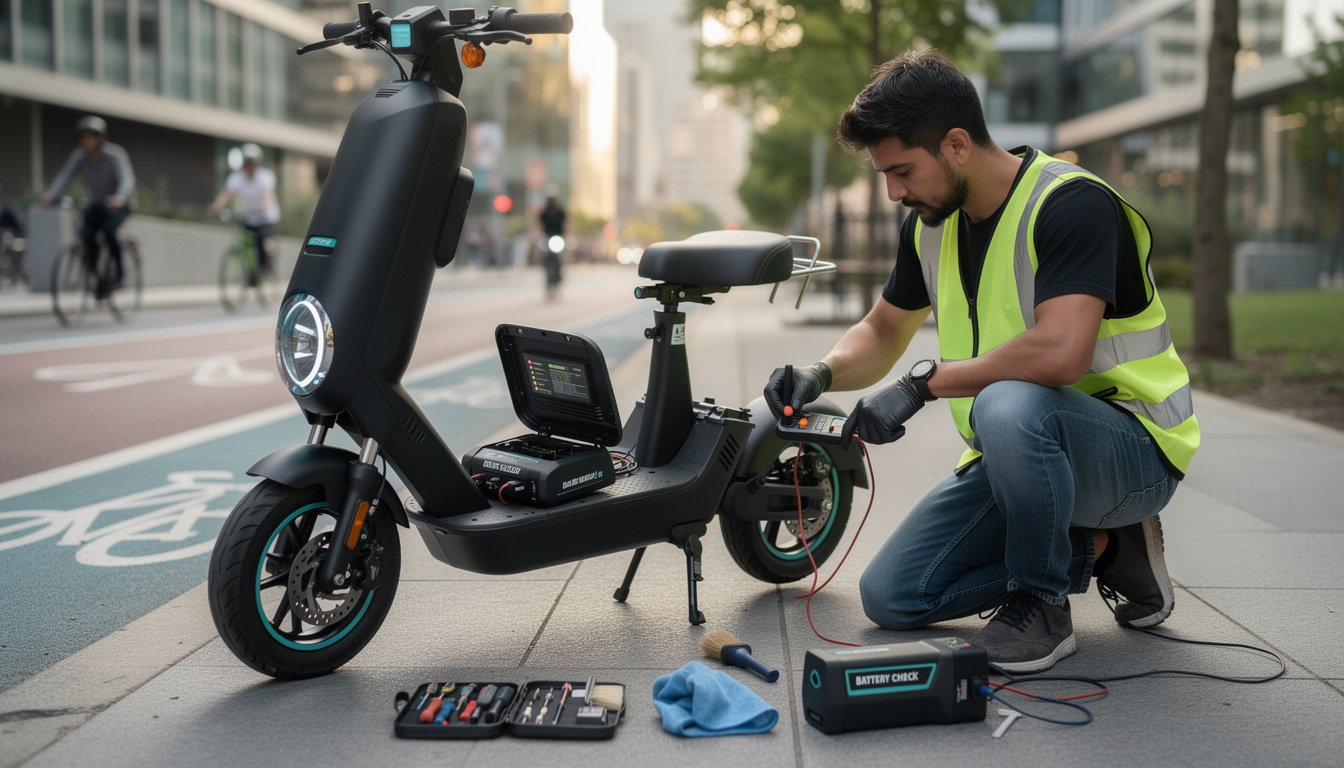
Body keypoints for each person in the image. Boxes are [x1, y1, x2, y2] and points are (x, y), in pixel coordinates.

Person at [764, 50, 1200, 673]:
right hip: (1017, 455)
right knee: (892, 596)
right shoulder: (930, 225)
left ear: (957, 144)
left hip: (1134, 452)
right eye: (886, 175)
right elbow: (884, 328)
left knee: (1007, 401)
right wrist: (820, 373)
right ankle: (1109, 550)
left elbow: (1062, 352)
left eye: (903, 171)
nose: (894, 192)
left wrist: (924, 385)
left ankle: (1042, 604)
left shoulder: (1071, 204)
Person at [42, 116, 136, 299]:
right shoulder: (80, 157)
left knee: (109, 231)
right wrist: (51, 195)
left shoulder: (115, 154)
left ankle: (120, 275)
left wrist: (120, 197)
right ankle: (98, 280)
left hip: (119, 205)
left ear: (101, 138)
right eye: (84, 136)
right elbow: (65, 176)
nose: (86, 141)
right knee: (86, 235)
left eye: (90, 137)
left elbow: (126, 178)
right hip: (98, 204)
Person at [207, 143, 280, 277]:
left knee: (264, 242)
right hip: (248, 216)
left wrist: (263, 205)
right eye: (247, 162)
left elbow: (267, 193)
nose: (249, 165)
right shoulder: (237, 177)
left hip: (265, 217)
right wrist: (215, 207)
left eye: (252, 162)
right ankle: (249, 270)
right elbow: (227, 194)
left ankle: (266, 267)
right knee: (242, 237)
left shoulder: (266, 176)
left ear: (257, 163)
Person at [538, 193, 566, 300]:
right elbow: (539, 226)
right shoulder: (544, 213)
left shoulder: (560, 212)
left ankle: (559, 274)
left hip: (558, 239)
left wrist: (566, 236)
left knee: (561, 257)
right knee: (544, 256)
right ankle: (548, 279)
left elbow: (565, 225)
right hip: (547, 238)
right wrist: (538, 235)